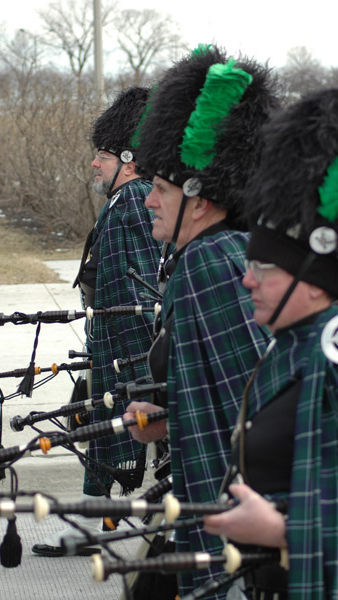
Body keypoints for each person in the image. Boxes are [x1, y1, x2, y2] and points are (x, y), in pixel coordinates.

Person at [124, 45, 279, 597]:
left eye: (160, 191)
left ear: (202, 199)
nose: (148, 205)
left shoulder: (210, 263)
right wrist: (171, 413)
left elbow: (253, 410)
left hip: (227, 526)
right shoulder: (228, 252)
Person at [203, 88, 338, 600]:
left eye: (263, 269)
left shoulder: (329, 354)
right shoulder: (292, 343)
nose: (246, 282)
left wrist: (284, 533)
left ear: (316, 279)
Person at [32, 87, 162, 557]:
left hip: (122, 348)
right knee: (92, 433)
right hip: (107, 344)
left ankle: (102, 529)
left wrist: (134, 368)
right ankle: (95, 524)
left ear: (128, 160)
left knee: (106, 437)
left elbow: (137, 288)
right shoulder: (127, 199)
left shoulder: (130, 202)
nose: (95, 164)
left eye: (102, 156)